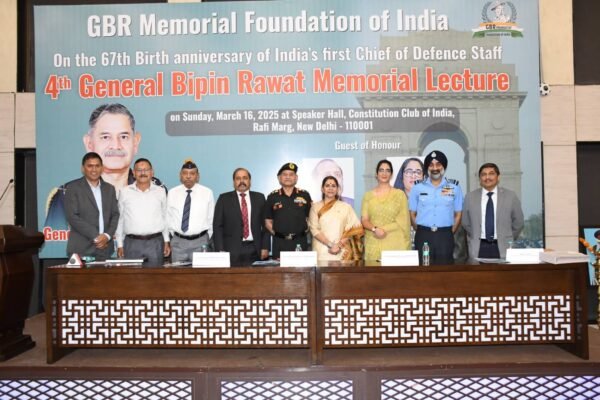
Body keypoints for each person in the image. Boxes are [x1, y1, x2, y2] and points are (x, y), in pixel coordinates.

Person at [44, 103, 164, 231]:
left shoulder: (155, 188)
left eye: (124, 137)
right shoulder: (68, 194)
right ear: (89, 143)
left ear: (135, 142)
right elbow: (57, 239)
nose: (116, 145)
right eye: (105, 137)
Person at [409, 150, 463, 265]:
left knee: (445, 271)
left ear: (444, 166)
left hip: (445, 236)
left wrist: (449, 231)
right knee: (423, 269)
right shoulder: (417, 187)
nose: (435, 168)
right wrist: (420, 230)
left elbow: (458, 214)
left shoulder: (454, 187)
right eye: (431, 165)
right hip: (423, 235)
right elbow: (412, 213)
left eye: (438, 164)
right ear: (427, 167)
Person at [462, 163, 524, 260]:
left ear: (498, 177)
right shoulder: (470, 197)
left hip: (503, 247)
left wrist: (507, 237)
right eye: (483, 174)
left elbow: (518, 222)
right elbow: (466, 223)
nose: (487, 177)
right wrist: (475, 234)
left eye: (491, 174)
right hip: (478, 247)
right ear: (480, 178)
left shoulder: (510, 196)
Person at [64, 152, 119, 260]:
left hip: (105, 248)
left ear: (102, 168)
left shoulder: (109, 189)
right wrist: (97, 237)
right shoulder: (73, 188)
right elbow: (72, 217)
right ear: (83, 168)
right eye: (90, 166)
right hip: (81, 250)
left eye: (97, 166)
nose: (94, 169)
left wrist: (107, 236)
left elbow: (115, 215)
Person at [115, 158, 170, 265]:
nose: (143, 173)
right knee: (132, 275)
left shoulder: (160, 191)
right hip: (132, 243)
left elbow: (165, 217)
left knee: (155, 275)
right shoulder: (124, 192)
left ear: (152, 172)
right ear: (134, 173)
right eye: (139, 170)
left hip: (155, 243)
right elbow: (120, 219)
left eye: (146, 170)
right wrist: (120, 244)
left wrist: (166, 240)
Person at [213, 168, 270, 266]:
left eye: (245, 178)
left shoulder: (259, 198)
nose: (242, 181)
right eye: (238, 178)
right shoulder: (224, 199)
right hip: (231, 250)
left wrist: (265, 247)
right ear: (234, 182)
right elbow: (217, 226)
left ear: (250, 181)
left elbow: (266, 225)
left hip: (255, 249)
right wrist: (220, 249)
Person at [361, 160, 411, 261]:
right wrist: (375, 229)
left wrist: (385, 229)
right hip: (373, 242)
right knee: (373, 270)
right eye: (381, 170)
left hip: (394, 245)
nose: (384, 173)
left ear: (391, 174)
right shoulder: (368, 196)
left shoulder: (399, 195)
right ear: (376, 174)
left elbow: (404, 223)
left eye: (387, 170)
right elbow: (364, 220)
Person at [167, 159, 215, 262]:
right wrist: (175, 236)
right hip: (178, 243)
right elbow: (168, 217)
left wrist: (205, 238)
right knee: (177, 272)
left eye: (192, 173)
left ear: (198, 176)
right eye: (185, 173)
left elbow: (211, 218)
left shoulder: (207, 193)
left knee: (200, 272)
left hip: (200, 242)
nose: (188, 176)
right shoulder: (172, 193)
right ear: (180, 175)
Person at [308, 176, 364, 262]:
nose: (330, 188)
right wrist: (331, 245)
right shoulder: (315, 207)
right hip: (321, 251)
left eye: (333, 186)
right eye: (327, 185)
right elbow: (314, 229)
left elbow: (353, 229)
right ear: (322, 189)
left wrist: (338, 245)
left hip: (341, 251)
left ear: (337, 189)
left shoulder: (346, 207)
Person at [265, 162, 312, 258]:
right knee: (279, 267)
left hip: (300, 241)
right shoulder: (272, 197)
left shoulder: (305, 195)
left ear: (296, 178)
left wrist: (303, 231)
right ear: (279, 178)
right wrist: (278, 234)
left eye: (291, 174)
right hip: (279, 243)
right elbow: (268, 221)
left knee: (301, 267)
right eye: (284, 174)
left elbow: (310, 218)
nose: (288, 177)